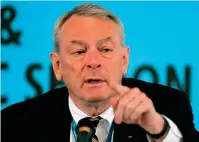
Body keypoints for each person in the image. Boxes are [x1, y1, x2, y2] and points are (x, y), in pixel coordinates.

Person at [2, 3, 199, 142]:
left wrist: (159, 130)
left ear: (124, 60)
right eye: (79, 51)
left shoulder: (168, 107)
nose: (93, 62)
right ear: (57, 65)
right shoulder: (15, 124)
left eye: (105, 50)